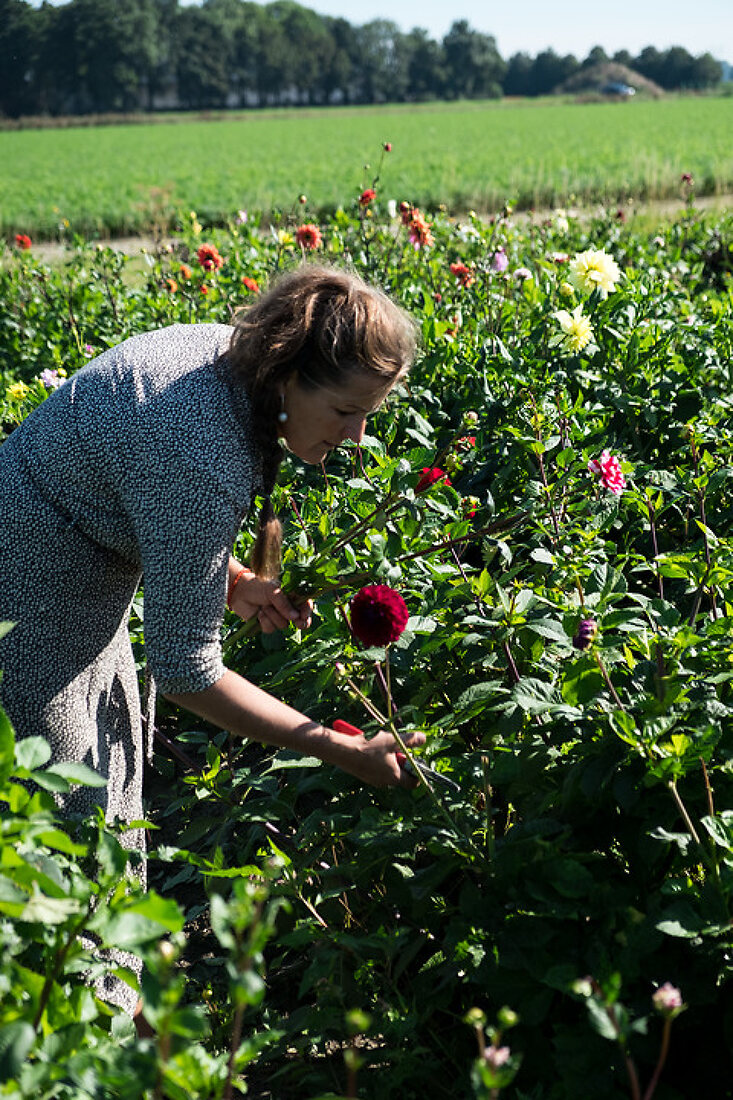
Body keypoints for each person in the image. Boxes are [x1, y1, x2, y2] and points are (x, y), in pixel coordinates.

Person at [0, 263, 425, 1024]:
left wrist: (225, 578)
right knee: (64, 836)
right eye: (347, 411)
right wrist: (337, 746)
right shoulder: (200, 447)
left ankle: (113, 1018)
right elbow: (190, 673)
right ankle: (75, 1039)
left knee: (106, 799)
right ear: (292, 373)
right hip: (27, 597)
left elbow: (129, 484)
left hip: (77, 564)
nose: (358, 435)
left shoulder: (234, 366)